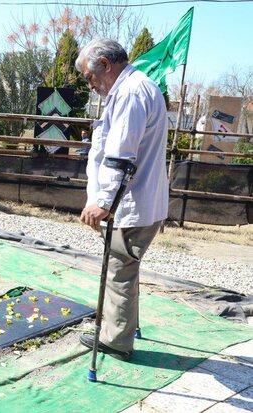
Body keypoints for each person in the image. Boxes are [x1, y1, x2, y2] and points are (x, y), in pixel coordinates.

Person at [75, 38, 168, 361]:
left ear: (105, 63)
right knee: (126, 265)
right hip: (140, 198)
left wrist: (103, 201)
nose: (91, 84)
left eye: (90, 76)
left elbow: (120, 157)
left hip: (130, 201)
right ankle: (123, 325)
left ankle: (115, 339)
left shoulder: (129, 92)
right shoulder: (136, 87)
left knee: (119, 267)